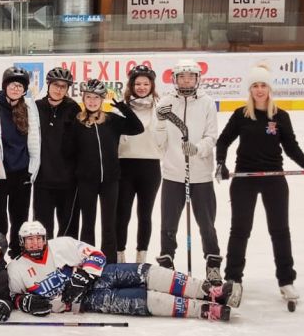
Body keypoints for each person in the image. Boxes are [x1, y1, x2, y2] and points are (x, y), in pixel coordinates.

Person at [215, 64, 304, 305]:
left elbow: (291, 147)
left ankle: (286, 281)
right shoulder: (241, 114)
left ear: (269, 88)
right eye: (255, 85)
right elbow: (223, 141)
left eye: (263, 85)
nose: (259, 90)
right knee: (240, 230)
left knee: (280, 230)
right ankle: (233, 278)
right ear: (250, 90)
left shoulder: (280, 116)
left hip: (274, 178)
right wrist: (221, 163)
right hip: (245, 179)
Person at [3, 221, 240, 323]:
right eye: (29, 240)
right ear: (22, 242)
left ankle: (209, 291)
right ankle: (204, 309)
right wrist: (24, 302)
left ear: (45, 238)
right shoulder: (16, 268)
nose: (35, 243)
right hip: (84, 301)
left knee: (147, 272)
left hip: (103, 274)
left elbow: (97, 255)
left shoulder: (62, 245)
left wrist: (83, 276)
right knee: (144, 300)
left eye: (38, 238)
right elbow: (10, 295)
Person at [155, 59, 222, 283]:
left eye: (190, 77)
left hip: (201, 175)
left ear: (197, 79)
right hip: (173, 174)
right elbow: (159, 142)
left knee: (207, 224)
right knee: (168, 224)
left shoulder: (207, 103)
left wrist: (198, 149)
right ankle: (166, 264)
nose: (186, 81)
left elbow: (211, 135)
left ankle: (213, 264)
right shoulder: (165, 102)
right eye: (182, 77)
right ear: (175, 79)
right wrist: (160, 123)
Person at [70, 78, 144, 265]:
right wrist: (78, 171)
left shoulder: (112, 120)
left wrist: (124, 108)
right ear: (83, 99)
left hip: (110, 181)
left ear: (102, 99)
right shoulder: (76, 123)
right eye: (88, 97)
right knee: (87, 224)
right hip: (86, 182)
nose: (92, 101)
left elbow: (138, 128)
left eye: (96, 97)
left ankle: (109, 265)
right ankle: (88, 262)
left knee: (109, 225)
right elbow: (68, 150)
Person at [0, 66, 41, 258]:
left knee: (20, 217)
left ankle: (18, 253)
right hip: (0, 172)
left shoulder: (28, 107)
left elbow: (34, 139)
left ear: (24, 89)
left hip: (21, 172)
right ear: (5, 86)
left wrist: (31, 169)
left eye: (20, 86)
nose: (16, 89)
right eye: (12, 85)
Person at [116, 64, 163, 265]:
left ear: (152, 85)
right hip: (125, 166)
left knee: (145, 215)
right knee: (122, 214)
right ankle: (119, 255)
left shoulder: (160, 108)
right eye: (138, 84)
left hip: (150, 168)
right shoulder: (120, 107)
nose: (142, 87)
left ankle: (141, 257)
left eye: (145, 84)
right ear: (131, 85)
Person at [33, 66, 80, 238]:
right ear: (48, 84)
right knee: (42, 229)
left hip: (68, 182)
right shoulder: (36, 108)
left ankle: (67, 256)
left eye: (63, 86)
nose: (59, 90)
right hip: (43, 181)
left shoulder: (74, 109)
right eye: (56, 85)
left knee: (68, 231)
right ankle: (44, 255)